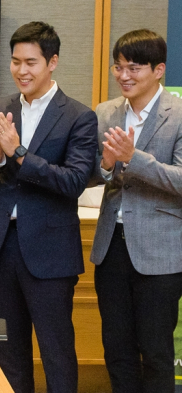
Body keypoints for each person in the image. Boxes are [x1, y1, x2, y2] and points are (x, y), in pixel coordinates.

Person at [0, 21, 98, 393]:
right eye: (15, 62)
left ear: (52, 62)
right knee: (9, 350)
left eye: (31, 62)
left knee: (57, 351)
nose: (21, 71)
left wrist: (19, 154)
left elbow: (73, 182)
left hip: (51, 255)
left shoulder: (78, 116)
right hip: (1, 250)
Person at [89, 29, 182, 393]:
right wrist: (107, 165)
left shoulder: (178, 115)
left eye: (134, 68)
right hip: (110, 248)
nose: (124, 76)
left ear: (158, 70)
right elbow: (93, 174)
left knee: (156, 353)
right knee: (116, 349)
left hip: (160, 254)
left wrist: (134, 159)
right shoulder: (106, 112)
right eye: (118, 67)